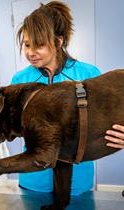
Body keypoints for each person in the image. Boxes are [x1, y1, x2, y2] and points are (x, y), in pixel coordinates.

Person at [12, 1, 124, 196]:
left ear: (58, 42)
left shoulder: (90, 74)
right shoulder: (19, 81)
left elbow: (113, 116)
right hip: (34, 181)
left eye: (39, 45)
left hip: (77, 182)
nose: (30, 52)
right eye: (27, 44)